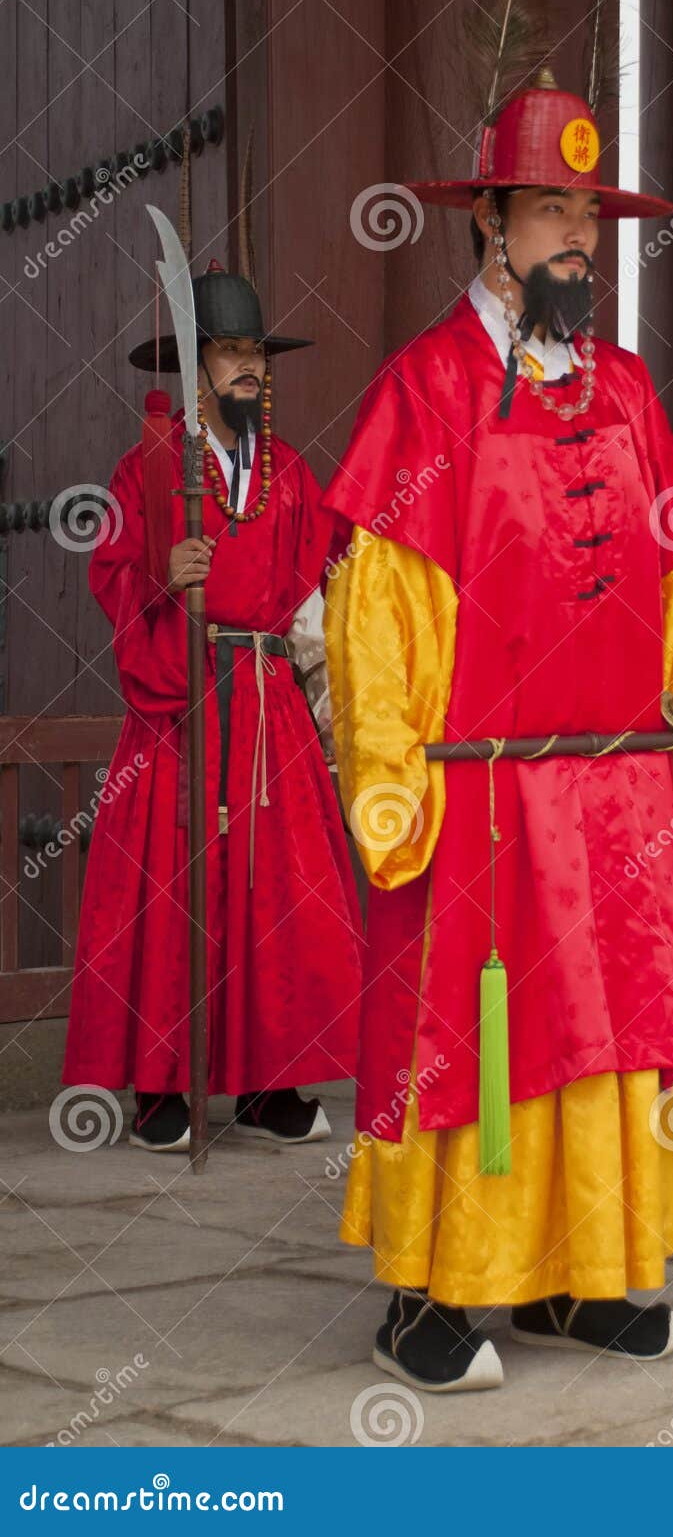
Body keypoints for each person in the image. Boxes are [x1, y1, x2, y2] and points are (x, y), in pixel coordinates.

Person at [322, 0, 673, 1393]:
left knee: (616, 1042)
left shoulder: (618, 386)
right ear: (484, 221)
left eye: (586, 218)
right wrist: (390, 770)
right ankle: (430, 1292)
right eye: (546, 210)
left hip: (611, 789)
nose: (571, 242)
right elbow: (381, 608)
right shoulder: (421, 390)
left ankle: (583, 1277)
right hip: (479, 791)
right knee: (473, 1040)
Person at [62, 257, 363, 1153]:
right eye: (229, 353)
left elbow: (329, 573)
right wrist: (163, 576)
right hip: (182, 706)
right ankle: (163, 1084)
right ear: (193, 367)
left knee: (279, 888)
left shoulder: (289, 473)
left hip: (267, 703)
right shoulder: (147, 469)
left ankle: (270, 1083)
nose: (248, 371)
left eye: (256, 357)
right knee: (172, 887)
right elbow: (110, 571)